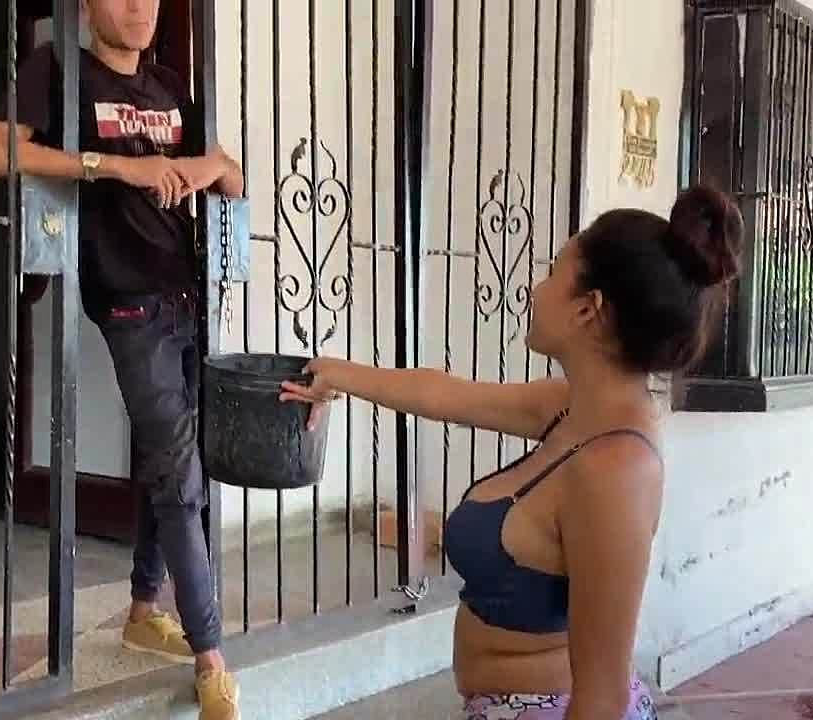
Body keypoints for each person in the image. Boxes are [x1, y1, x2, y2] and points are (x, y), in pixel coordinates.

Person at [281, 187, 744, 720]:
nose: (534, 289)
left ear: (587, 309)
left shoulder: (617, 469)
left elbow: (601, 699)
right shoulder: (573, 407)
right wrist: (335, 374)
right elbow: (443, 395)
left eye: (552, 273)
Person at [0, 1, 244, 718]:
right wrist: (115, 168)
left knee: (180, 458)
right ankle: (210, 657)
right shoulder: (60, 72)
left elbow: (232, 176)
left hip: (190, 296)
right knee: (180, 474)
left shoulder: (169, 86)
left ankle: (142, 609)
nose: (139, 8)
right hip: (129, 302)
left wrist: (194, 167)